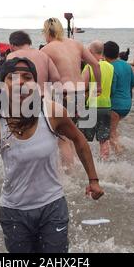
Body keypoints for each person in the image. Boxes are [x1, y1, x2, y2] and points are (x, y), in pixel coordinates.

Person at [0, 57, 104, 253]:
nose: (21, 82)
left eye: (27, 77)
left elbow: (79, 140)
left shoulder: (52, 112)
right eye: (13, 77)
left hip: (52, 206)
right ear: (3, 86)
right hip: (14, 212)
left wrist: (93, 179)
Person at [40, 17, 101, 169]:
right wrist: (98, 86)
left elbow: (41, 77)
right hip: (80, 93)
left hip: (64, 94)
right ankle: (77, 165)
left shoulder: (46, 49)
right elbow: (95, 64)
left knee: (62, 137)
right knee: (73, 132)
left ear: (46, 32)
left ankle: (70, 172)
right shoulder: (77, 44)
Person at [81, 41, 114, 160]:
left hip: (92, 105)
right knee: (104, 139)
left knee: (84, 139)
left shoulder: (89, 67)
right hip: (106, 105)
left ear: (90, 52)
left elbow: (82, 87)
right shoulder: (110, 67)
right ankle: (104, 163)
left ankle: (87, 163)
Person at [104, 41, 134, 154]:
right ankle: (120, 150)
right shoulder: (127, 65)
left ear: (104, 54)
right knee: (114, 130)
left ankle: (120, 157)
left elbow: (111, 89)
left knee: (110, 134)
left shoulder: (109, 67)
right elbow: (133, 82)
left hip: (115, 105)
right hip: (127, 105)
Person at [7, 30, 60, 96]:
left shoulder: (12, 56)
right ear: (28, 42)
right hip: (43, 97)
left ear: (12, 45)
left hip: (23, 99)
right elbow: (56, 77)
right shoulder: (43, 55)